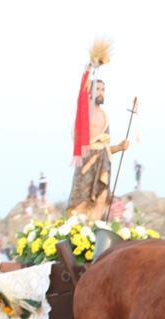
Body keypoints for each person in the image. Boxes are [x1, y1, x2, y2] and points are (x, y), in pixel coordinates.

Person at [68, 80, 130, 220]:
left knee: (101, 199)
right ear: (90, 92)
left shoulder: (104, 116)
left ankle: (94, 228)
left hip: (104, 164)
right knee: (81, 199)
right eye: (97, 89)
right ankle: (77, 231)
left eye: (103, 89)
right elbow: (78, 141)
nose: (101, 92)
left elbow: (105, 148)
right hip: (87, 164)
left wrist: (120, 147)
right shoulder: (84, 114)